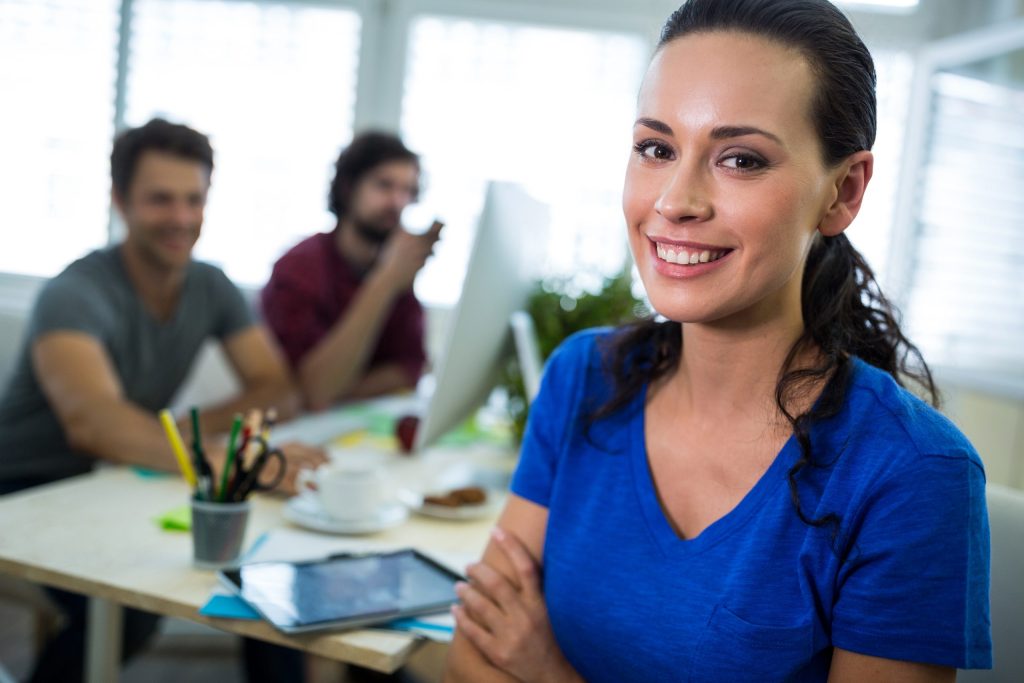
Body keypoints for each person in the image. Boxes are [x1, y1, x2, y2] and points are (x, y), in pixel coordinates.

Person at [443, 1, 992, 681]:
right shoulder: (583, 376)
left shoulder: (911, 474)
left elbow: (512, 656)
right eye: (656, 148)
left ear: (843, 192)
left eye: (740, 158)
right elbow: (471, 652)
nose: (675, 199)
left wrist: (550, 671)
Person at [0, 118, 327, 683]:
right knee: (126, 612)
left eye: (193, 199)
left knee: (267, 575)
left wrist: (180, 431)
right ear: (120, 201)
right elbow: (94, 425)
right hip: (27, 489)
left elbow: (277, 389)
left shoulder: (210, 285)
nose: (181, 218)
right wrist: (218, 458)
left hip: (116, 480)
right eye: (160, 200)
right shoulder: (74, 292)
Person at [261, 132, 443, 411]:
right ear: (348, 187)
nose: (397, 202)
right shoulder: (299, 269)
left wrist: (343, 387)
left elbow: (411, 369)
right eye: (384, 185)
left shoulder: (397, 268)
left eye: (407, 191)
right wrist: (384, 282)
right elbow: (314, 392)